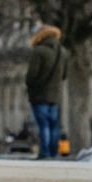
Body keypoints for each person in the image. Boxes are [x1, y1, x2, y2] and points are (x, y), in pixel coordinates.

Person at [25, 25, 69, 159]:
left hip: (39, 94)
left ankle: (45, 153)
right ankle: (53, 152)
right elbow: (64, 75)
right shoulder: (63, 52)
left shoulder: (38, 51)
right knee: (53, 124)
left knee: (43, 124)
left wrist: (31, 86)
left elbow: (31, 75)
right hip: (55, 94)